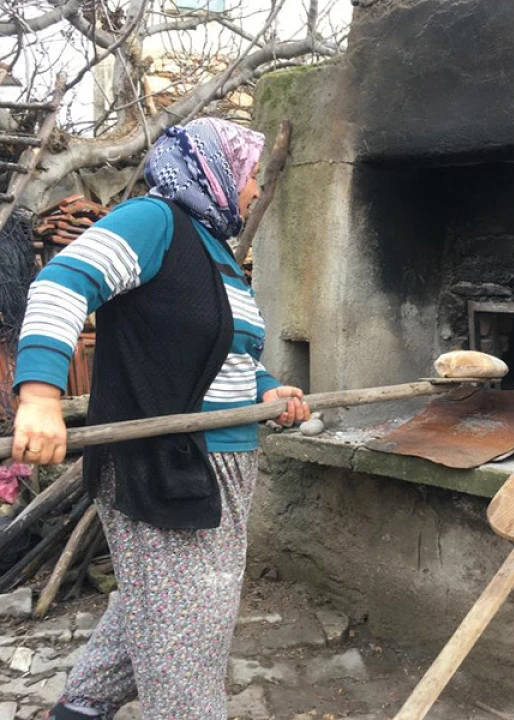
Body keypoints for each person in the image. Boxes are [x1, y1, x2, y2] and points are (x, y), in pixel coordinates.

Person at [10, 117, 310, 720]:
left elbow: (224, 357)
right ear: (217, 170)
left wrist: (271, 392)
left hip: (219, 462)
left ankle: (78, 711)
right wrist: (39, 395)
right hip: (168, 464)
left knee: (160, 605)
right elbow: (61, 282)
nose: (256, 190)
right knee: (190, 636)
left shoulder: (214, 248)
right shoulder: (155, 222)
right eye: (251, 174)